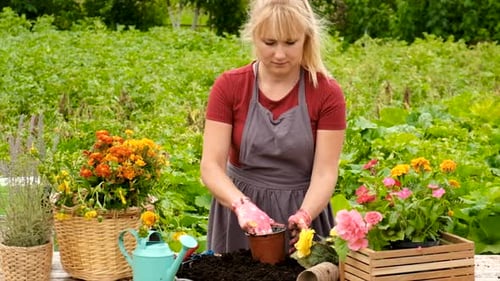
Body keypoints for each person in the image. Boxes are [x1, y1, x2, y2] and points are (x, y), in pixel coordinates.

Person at [200, 0, 346, 254]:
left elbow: (325, 172)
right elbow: (211, 166)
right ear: (254, 36)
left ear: (306, 39)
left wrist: (305, 214)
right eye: (270, 43)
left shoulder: (326, 93)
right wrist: (242, 205)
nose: (279, 54)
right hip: (239, 217)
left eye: (290, 43)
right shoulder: (230, 87)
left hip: (303, 217)